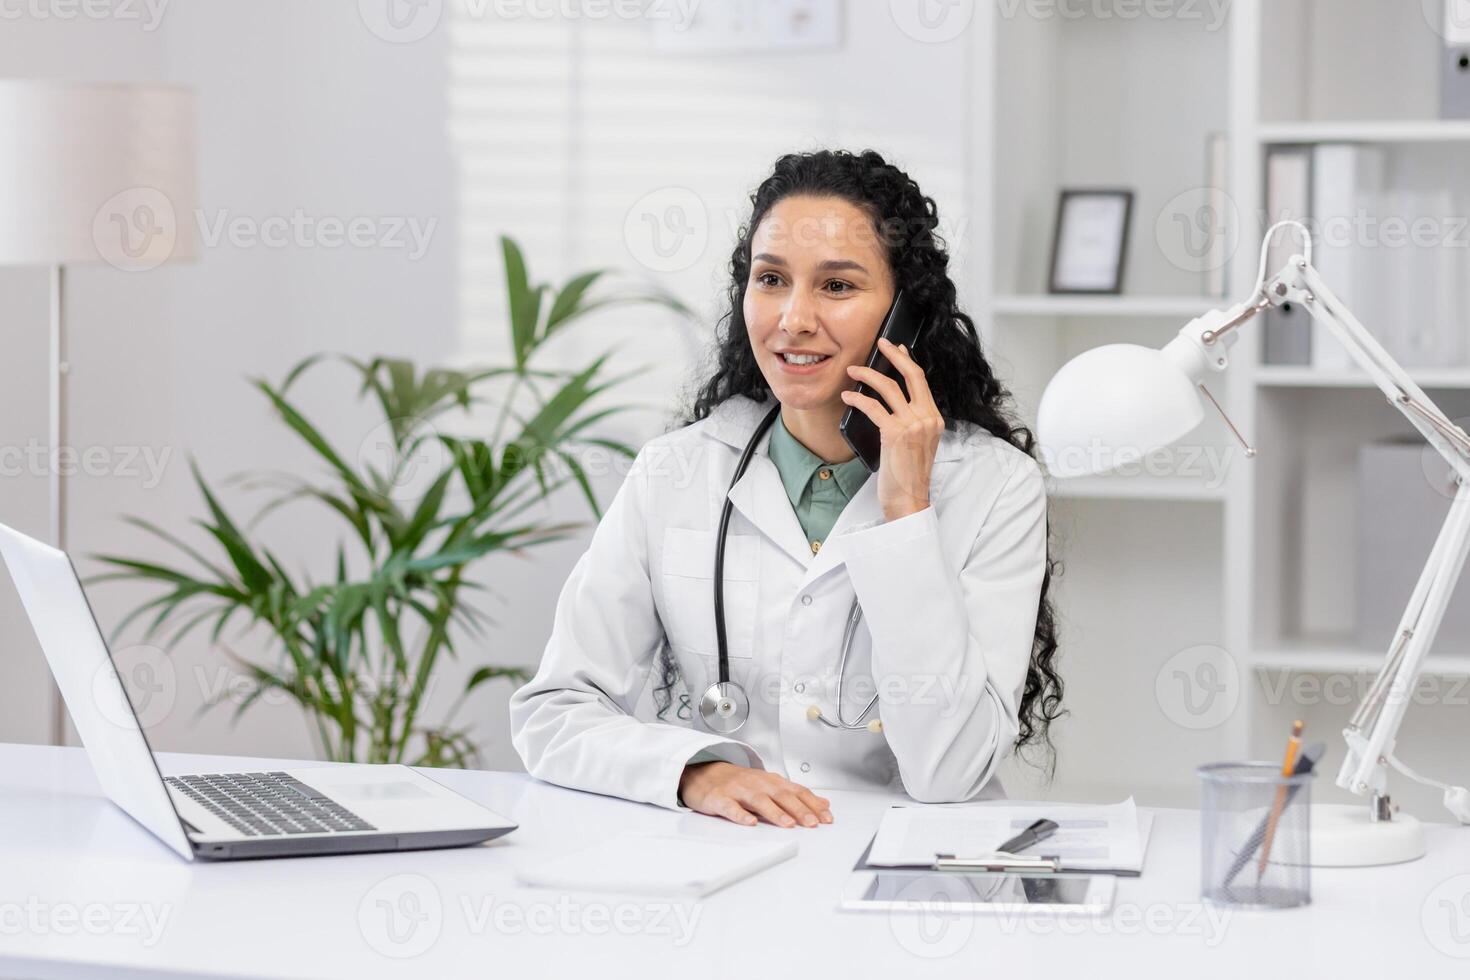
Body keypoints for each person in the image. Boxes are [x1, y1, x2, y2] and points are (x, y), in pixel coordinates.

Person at [510, 148, 1062, 829]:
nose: (793, 318)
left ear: (905, 317)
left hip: (905, 876)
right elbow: (554, 712)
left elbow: (948, 773)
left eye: (836, 287)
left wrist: (907, 513)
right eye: (771, 279)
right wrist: (691, 773)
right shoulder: (675, 473)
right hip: (723, 866)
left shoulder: (992, 486)